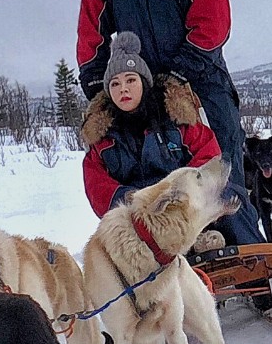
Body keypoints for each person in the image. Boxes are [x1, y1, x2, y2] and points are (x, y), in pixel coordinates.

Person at [77, 0, 261, 245]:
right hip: (139, 86)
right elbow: (90, 35)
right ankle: (163, 250)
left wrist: (181, 72)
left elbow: (213, 21)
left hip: (201, 78)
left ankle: (247, 255)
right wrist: (99, 88)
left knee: (221, 166)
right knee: (147, 169)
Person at [80, 31, 222, 217]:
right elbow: (96, 185)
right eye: (115, 84)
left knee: (235, 205)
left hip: (185, 208)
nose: (123, 89)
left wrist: (183, 191)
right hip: (133, 216)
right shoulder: (103, 138)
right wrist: (131, 200)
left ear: (144, 82)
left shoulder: (175, 119)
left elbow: (209, 156)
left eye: (130, 80)